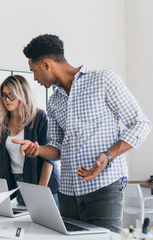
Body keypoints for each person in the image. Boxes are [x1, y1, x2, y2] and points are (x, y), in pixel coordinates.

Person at [13, 34, 152, 233]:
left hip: (104, 190)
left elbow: (140, 123)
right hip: (67, 194)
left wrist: (108, 155)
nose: (34, 78)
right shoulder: (53, 101)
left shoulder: (103, 80)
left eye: (34, 71)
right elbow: (56, 147)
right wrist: (38, 150)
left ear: (46, 64)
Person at [0, 75, 60, 206]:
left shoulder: (39, 117)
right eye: (4, 95)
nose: (7, 99)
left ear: (22, 94)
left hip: (41, 182)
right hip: (18, 182)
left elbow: (49, 158)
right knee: (24, 224)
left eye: (11, 95)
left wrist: (41, 190)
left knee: (45, 226)